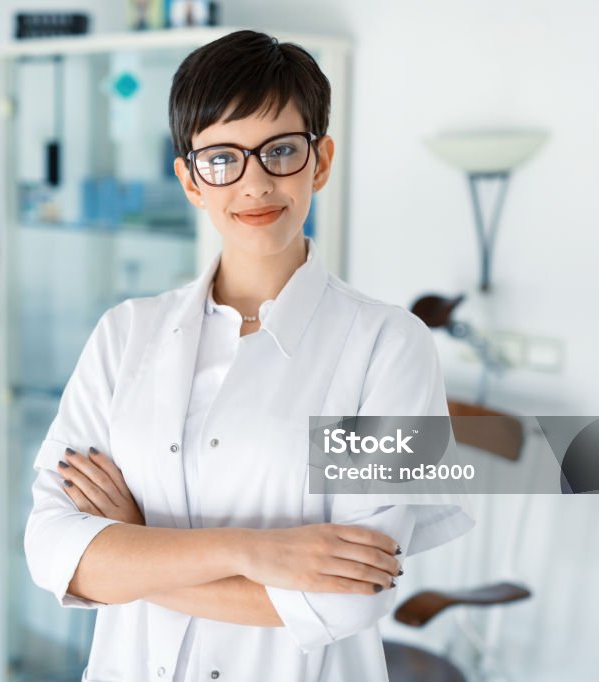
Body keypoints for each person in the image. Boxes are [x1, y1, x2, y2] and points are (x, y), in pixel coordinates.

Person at [24, 29, 474, 682]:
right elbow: (50, 551)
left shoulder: (393, 346)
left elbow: (351, 599)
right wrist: (257, 553)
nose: (255, 182)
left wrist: (135, 544)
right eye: (221, 158)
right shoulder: (124, 335)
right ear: (189, 179)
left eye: (281, 150)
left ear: (320, 161)